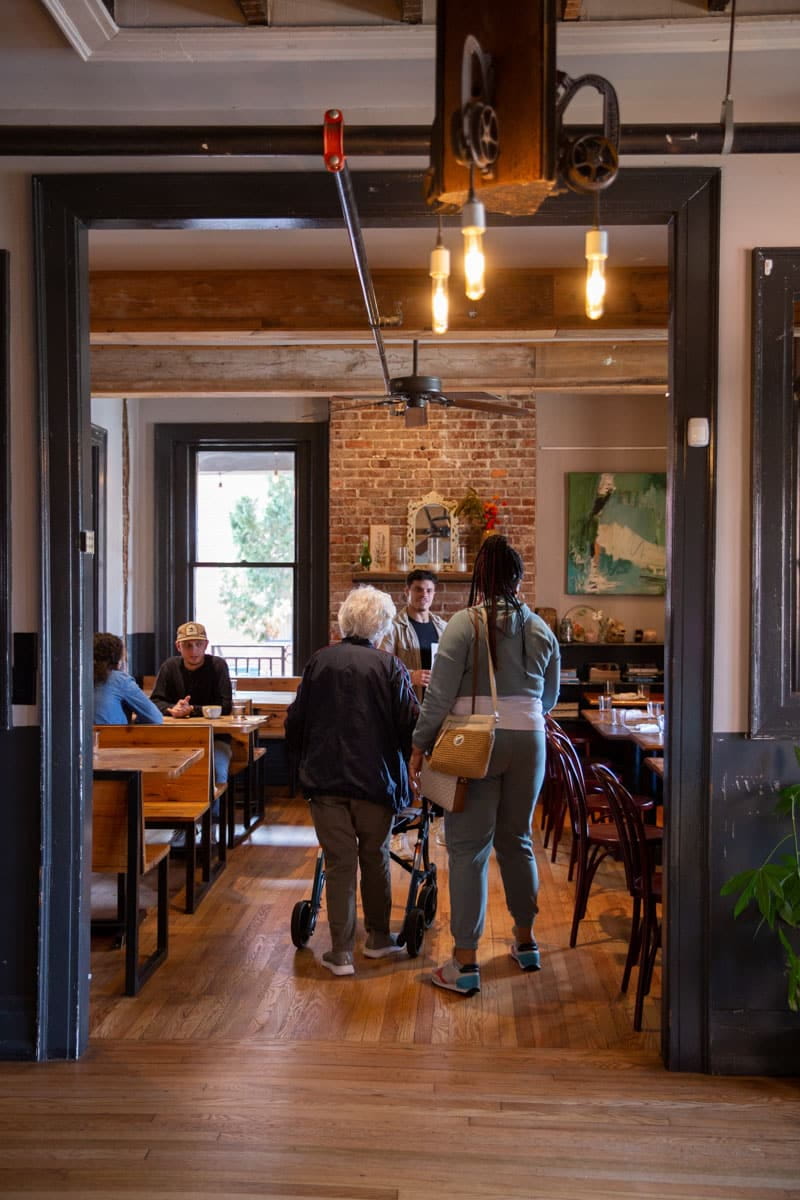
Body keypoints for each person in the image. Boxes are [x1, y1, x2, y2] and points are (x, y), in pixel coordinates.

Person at [409, 534, 560, 997]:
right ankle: (526, 941)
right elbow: (550, 698)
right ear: (517, 578)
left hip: (476, 742)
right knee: (517, 839)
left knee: (468, 847)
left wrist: (420, 743)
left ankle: (466, 962)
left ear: (481, 576)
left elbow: (438, 697)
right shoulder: (540, 628)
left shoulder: (463, 623)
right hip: (531, 741)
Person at [285, 586, 419, 977]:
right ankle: (378, 939)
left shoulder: (319, 662)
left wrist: (303, 759)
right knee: (375, 856)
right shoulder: (389, 667)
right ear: (381, 626)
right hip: (376, 782)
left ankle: (341, 953)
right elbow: (409, 725)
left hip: (325, 780)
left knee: (340, 862)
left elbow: (296, 721)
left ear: (345, 621)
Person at [150, 621, 233, 788]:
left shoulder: (217, 666)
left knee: (216, 770)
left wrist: (192, 710)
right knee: (159, 770)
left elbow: (225, 705)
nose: (194, 650)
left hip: (215, 737)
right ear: (178, 646)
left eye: (198, 644)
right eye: (188, 645)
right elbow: (155, 701)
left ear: (206, 645)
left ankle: (215, 814)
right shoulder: (169, 667)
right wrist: (172, 709)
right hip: (176, 738)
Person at [381, 569, 447, 701]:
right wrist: (410, 677)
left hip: (439, 705)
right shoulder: (392, 628)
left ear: (434, 593)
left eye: (429, 590)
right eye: (418, 589)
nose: (424, 594)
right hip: (407, 707)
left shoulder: (444, 628)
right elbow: (382, 669)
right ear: (407, 591)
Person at [93, 632, 163, 726]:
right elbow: (155, 718)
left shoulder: (78, 679)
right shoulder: (119, 680)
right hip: (110, 739)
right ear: (117, 658)